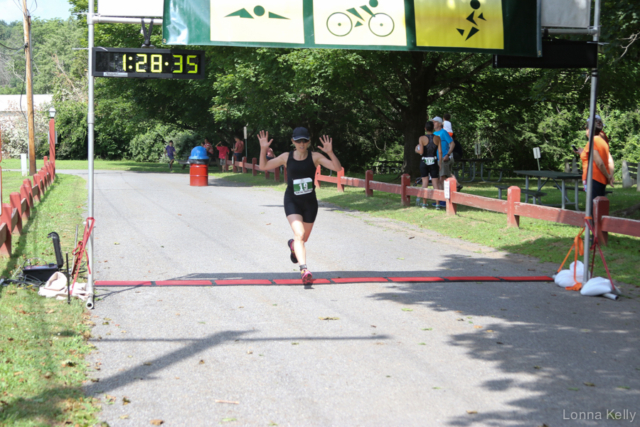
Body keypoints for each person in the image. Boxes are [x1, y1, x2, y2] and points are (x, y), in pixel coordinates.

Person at [258, 127, 342, 285]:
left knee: (303, 239)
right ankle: (304, 269)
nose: (301, 144)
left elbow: (337, 168)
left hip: (310, 203)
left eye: (304, 140)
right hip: (292, 201)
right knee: (299, 233)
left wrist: (330, 152)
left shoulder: (315, 157)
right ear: (293, 142)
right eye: (298, 141)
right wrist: (263, 150)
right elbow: (263, 166)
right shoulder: (286, 157)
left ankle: (292, 245)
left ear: (309, 141)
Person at [580, 118, 614, 214]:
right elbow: (609, 160)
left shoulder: (593, 141)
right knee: (599, 209)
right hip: (600, 180)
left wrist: (608, 176)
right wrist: (609, 175)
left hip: (594, 179)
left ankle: (595, 228)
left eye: (586, 128)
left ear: (589, 129)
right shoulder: (603, 142)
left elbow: (599, 162)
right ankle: (599, 228)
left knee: (593, 211)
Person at [415, 121, 441, 208]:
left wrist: (416, 150)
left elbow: (421, 151)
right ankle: (437, 203)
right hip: (434, 161)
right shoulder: (437, 138)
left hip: (424, 161)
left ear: (425, 129)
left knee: (424, 182)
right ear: (433, 128)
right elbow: (440, 152)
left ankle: (424, 203)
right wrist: (440, 163)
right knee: (435, 184)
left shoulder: (421, 138)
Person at [432, 116, 455, 207]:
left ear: (440, 123)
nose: (433, 123)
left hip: (443, 159)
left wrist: (448, 155)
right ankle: (441, 200)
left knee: (442, 179)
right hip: (435, 159)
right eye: (433, 122)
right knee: (437, 180)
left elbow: (452, 144)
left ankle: (444, 200)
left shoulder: (444, 132)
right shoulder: (434, 133)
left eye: (435, 122)